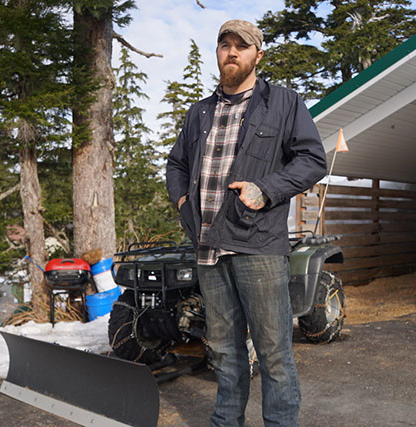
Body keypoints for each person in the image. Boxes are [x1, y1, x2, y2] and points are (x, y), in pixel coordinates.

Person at [166, 19, 327, 426]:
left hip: (257, 245)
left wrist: (266, 189)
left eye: (242, 46)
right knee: (223, 352)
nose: (232, 52)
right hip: (208, 247)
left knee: (273, 353)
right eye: (225, 45)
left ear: (258, 54)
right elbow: (176, 165)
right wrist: (184, 200)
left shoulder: (284, 102)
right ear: (218, 52)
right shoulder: (200, 111)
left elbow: (312, 160)